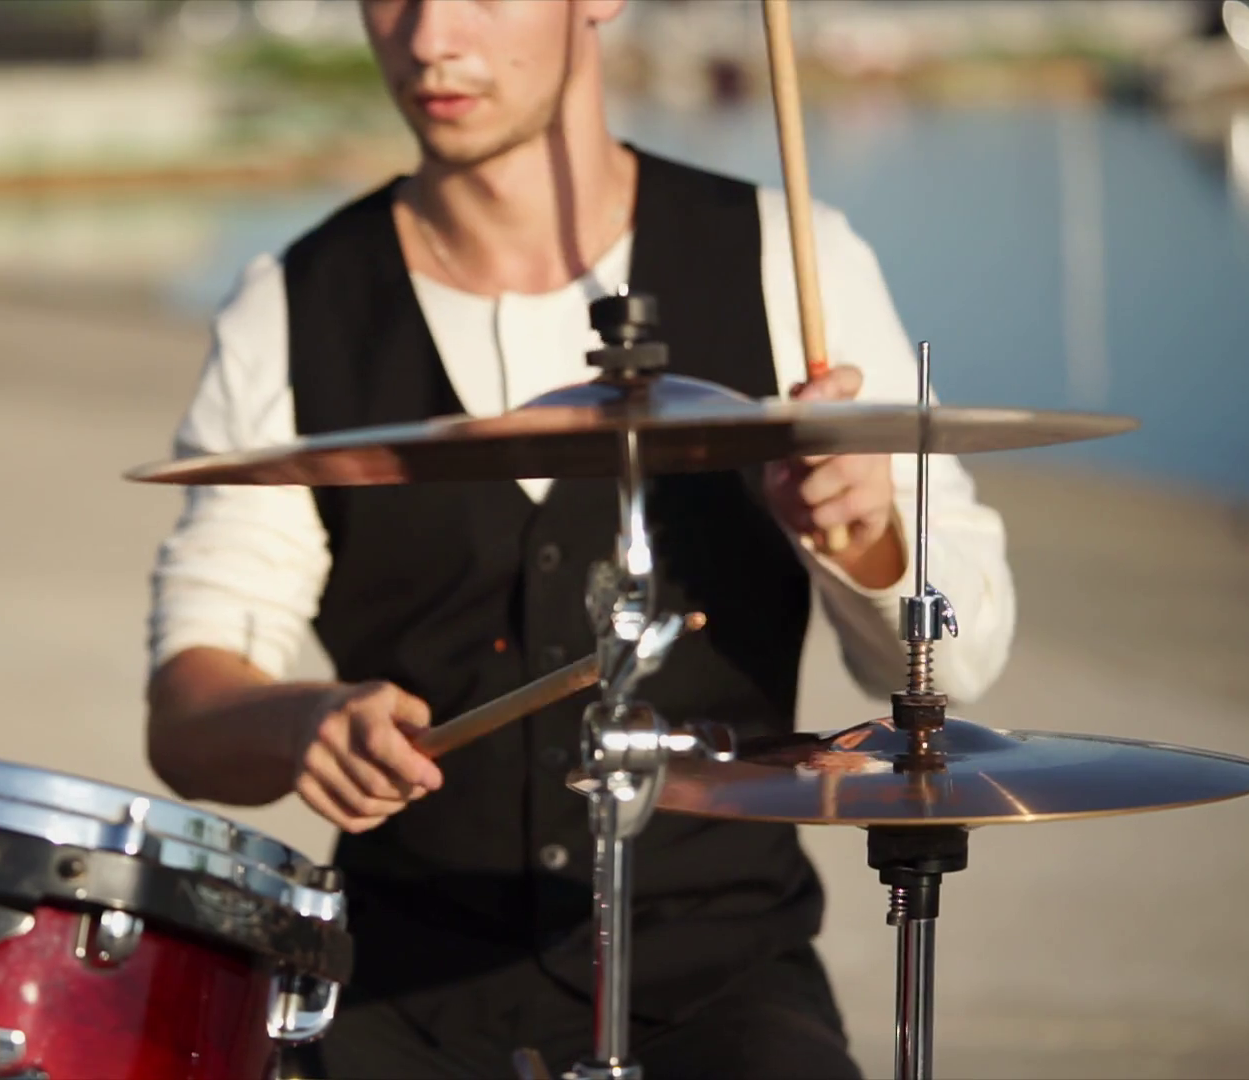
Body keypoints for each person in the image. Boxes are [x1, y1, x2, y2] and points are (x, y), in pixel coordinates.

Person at [142, 1, 1015, 1076]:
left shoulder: (793, 260)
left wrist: (868, 532)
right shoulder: (290, 308)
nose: (424, 39)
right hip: (401, 994)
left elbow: (958, 659)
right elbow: (186, 718)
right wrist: (298, 723)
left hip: (723, 987)